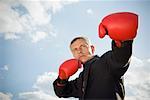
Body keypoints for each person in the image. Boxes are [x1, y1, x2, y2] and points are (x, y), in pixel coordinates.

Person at [53, 12, 138, 100]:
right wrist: (62, 79)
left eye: (83, 46)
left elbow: (120, 58)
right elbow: (62, 92)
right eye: (75, 49)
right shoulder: (81, 80)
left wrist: (121, 39)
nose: (79, 50)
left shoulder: (107, 61)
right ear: (73, 55)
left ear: (92, 49)